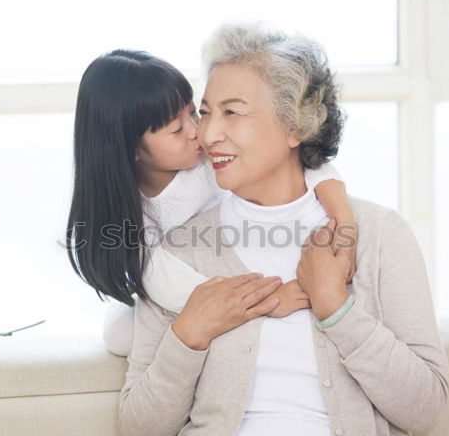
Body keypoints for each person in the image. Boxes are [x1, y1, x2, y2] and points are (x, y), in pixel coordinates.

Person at [117, 22, 449, 436]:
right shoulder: (178, 253)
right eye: (205, 111)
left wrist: (335, 307)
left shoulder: (379, 235)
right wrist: (189, 333)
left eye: (232, 112)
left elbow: (426, 408)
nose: (208, 133)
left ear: (295, 126)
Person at [65, 49, 359, 357]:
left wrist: (343, 218)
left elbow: (309, 164)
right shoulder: (135, 221)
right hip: (198, 289)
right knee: (122, 336)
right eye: (177, 129)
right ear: (131, 150)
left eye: (194, 113)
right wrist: (271, 302)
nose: (198, 132)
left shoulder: (209, 155)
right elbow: (176, 289)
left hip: (247, 253)